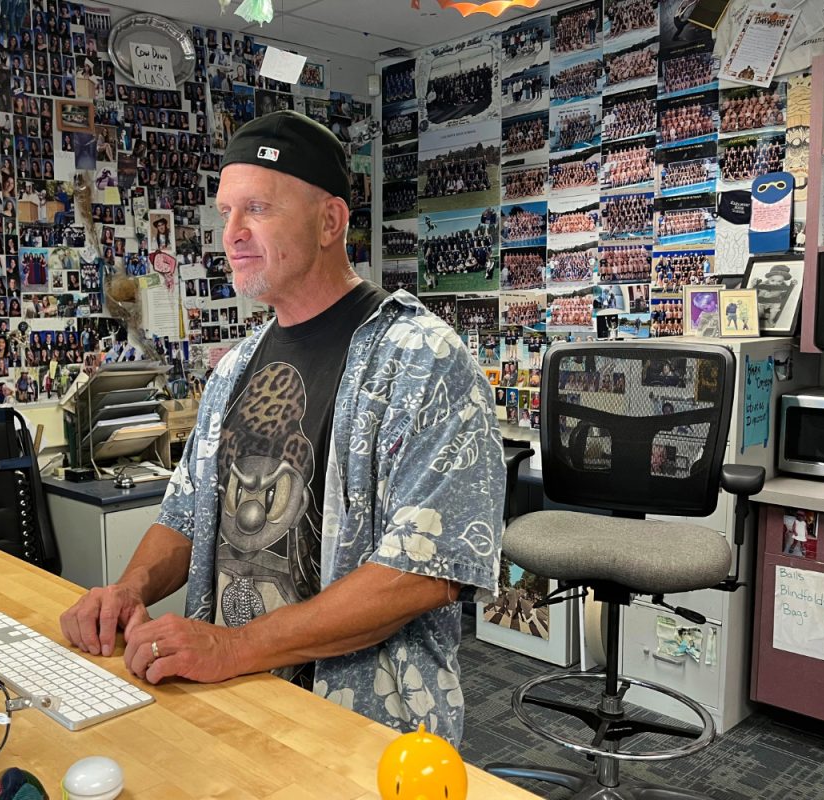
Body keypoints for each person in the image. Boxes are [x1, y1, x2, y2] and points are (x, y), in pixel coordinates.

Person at [59, 111, 505, 744]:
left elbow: (422, 575)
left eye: (259, 209)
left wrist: (234, 647)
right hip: (236, 701)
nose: (231, 235)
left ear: (331, 222)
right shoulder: (236, 366)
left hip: (358, 724)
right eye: (226, 213)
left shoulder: (421, 359)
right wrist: (129, 590)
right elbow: (187, 515)